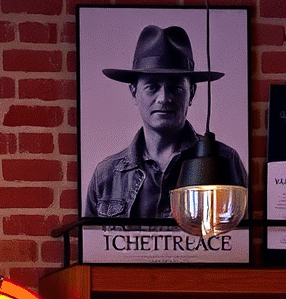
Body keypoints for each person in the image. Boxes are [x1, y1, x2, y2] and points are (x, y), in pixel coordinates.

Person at [84, 24, 248, 221]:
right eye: (152, 87)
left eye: (175, 88)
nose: (163, 98)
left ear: (192, 93)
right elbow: (93, 247)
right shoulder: (107, 175)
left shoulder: (224, 161)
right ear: (134, 92)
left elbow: (241, 241)